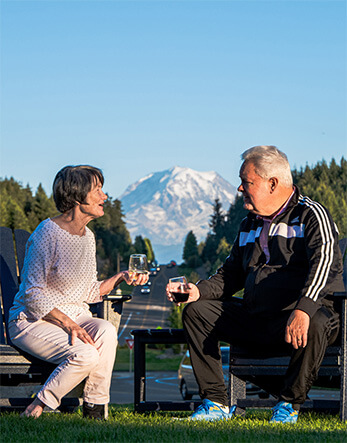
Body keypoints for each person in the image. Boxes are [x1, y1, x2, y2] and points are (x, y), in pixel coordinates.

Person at [167, 146, 344, 423]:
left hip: (301, 319)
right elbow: (231, 275)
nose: (239, 189)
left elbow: (325, 264)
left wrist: (303, 308)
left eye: (246, 182)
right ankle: (215, 402)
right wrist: (197, 291)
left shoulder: (311, 215)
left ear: (272, 183)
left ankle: (289, 405)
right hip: (258, 317)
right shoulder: (249, 224)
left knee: (317, 320)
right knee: (197, 311)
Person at [9, 165, 148, 420]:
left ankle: (95, 410)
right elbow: (32, 294)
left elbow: (89, 290)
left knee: (105, 330)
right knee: (85, 353)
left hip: (73, 317)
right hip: (32, 321)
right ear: (76, 196)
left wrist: (120, 278)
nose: (105, 196)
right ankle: (39, 404)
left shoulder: (88, 236)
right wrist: (69, 324)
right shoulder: (46, 234)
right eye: (98, 190)